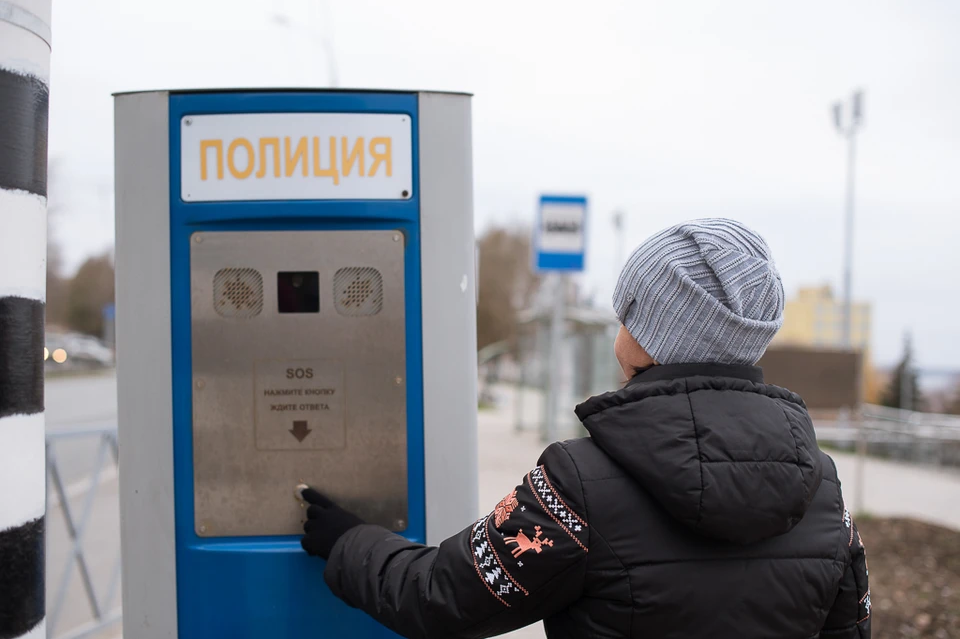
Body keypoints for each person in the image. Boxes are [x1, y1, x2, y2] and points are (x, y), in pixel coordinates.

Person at [300, 218, 871, 639]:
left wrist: (348, 540)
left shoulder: (578, 482)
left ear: (649, 337)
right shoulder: (825, 491)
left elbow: (439, 598)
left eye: (627, 316)